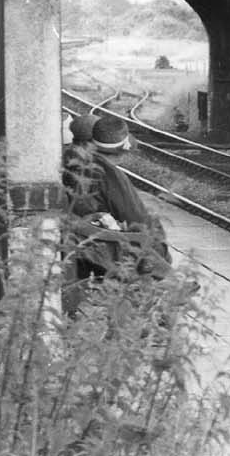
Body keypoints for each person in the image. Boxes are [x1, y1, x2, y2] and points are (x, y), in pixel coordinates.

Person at [61, 114, 172, 317]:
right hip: (98, 243)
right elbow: (137, 217)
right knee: (150, 240)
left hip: (81, 233)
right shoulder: (107, 172)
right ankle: (162, 294)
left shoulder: (70, 160)